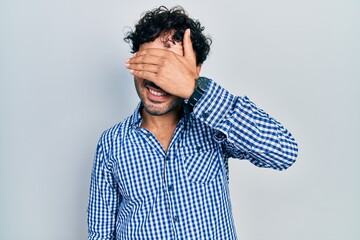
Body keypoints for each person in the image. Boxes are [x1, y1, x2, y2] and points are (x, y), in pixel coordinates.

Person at [87, 6, 298, 240]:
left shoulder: (216, 126)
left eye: (171, 67)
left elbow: (284, 152)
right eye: (151, 62)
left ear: (195, 71)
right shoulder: (111, 143)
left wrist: (195, 89)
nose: (159, 79)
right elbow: (100, 232)